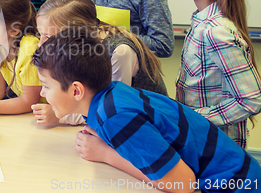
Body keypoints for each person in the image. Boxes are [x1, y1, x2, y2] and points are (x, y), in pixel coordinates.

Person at [34, 28, 261, 193]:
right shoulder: (111, 95)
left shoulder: (116, 116)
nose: (43, 94)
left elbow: (183, 184)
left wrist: (105, 154)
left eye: (46, 86)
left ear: (76, 91)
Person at [169, 0, 261, 149]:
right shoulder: (201, 23)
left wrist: (192, 118)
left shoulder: (215, 31)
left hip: (216, 152)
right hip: (199, 143)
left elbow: (251, 100)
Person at [31, 0, 167, 125]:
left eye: (48, 37)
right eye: (40, 35)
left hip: (151, 125)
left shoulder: (120, 52)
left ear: (77, 33)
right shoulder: (78, 49)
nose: (40, 44)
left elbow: (113, 109)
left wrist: (61, 116)